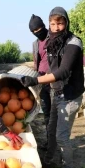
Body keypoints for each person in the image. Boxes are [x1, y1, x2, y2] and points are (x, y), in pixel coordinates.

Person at [21, 7, 84, 168]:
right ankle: (48, 161)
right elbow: (50, 68)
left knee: (62, 137)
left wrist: (35, 79)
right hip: (57, 93)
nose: (56, 27)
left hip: (70, 96)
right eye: (53, 24)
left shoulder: (74, 42)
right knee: (51, 129)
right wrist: (36, 81)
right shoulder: (51, 42)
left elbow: (63, 71)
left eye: (60, 23)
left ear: (66, 23)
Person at [29, 14, 51, 151]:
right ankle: (50, 142)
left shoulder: (54, 38)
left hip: (55, 79)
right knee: (47, 111)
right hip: (42, 81)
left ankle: (56, 142)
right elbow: (36, 62)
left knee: (55, 113)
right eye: (34, 32)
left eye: (40, 29)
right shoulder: (35, 44)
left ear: (44, 26)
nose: (38, 33)